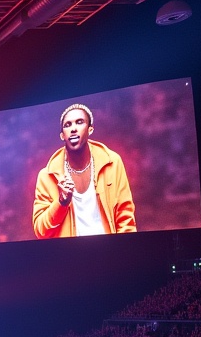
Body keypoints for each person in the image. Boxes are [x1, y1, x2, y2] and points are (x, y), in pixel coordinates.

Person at [33, 102, 135, 238]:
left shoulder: (112, 162)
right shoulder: (46, 176)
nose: (73, 129)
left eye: (79, 122)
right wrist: (61, 203)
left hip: (110, 253)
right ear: (62, 135)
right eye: (67, 125)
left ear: (90, 129)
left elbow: (125, 218)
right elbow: (41, 231)